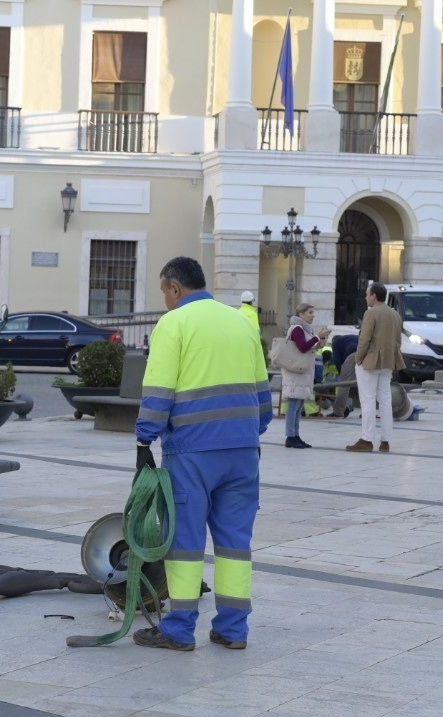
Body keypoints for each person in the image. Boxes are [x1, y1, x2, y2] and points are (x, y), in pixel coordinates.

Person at [132, 257, 271, 651]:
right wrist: (246, 432)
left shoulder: (174, 324)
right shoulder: (241, 323)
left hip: (193, 452)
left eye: (164, 292)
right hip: (243, 453)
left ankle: (178, 629)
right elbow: (263, 395)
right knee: (234, 545)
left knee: (186, 544)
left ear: (174, 288)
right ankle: (233, 629)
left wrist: (145, 440)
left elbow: (158, 390)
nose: (165, 300)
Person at [346, 282, 400, 453]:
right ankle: (386, 440)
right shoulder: (394, 314)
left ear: (374, 296)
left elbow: (364, 339)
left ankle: (366, 439)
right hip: (387, 363)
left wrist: (358, 358)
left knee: (367, 400)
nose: (365, 297)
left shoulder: (370, 313)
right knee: (385, 400)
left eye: (367, 294)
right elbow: (398, 340)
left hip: (370, 362)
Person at [276, 303, 329, 449]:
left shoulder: (305, 329)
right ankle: (290, 437)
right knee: (293, 405)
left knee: (298, 406)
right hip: (295, 372)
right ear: (301, 314)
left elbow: (311, 346)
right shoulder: (297, 329)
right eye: (310, 312)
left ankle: (296, 435)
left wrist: (321, 339)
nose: (313, 315)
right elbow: (303, 347)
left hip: (301, 372)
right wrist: (317, 337)